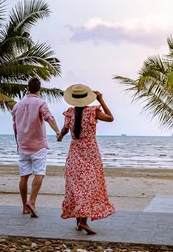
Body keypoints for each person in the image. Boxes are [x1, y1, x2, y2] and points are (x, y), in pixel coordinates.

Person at [57, 84, 115, 234]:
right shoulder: (92, 112)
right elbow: (110, 118)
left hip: (75, 152)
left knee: (77, 187)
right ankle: (82, 222)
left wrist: (61, 136)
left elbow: (65, 129)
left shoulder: (70, 113)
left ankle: (79, 222)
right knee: (89, 186)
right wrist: (101, 100)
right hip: (90, 152)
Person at [12, 78, 60, 217]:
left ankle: (24, 206)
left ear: (27, 88)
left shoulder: (18, 105)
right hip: (38, 145)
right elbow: (48, 117)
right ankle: (31, 201)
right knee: (39, 173)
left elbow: (15, 127)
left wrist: (18, 144)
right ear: (39, 90)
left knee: (24, 176)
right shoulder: (40, 103)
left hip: (23, 145)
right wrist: (57, 131)